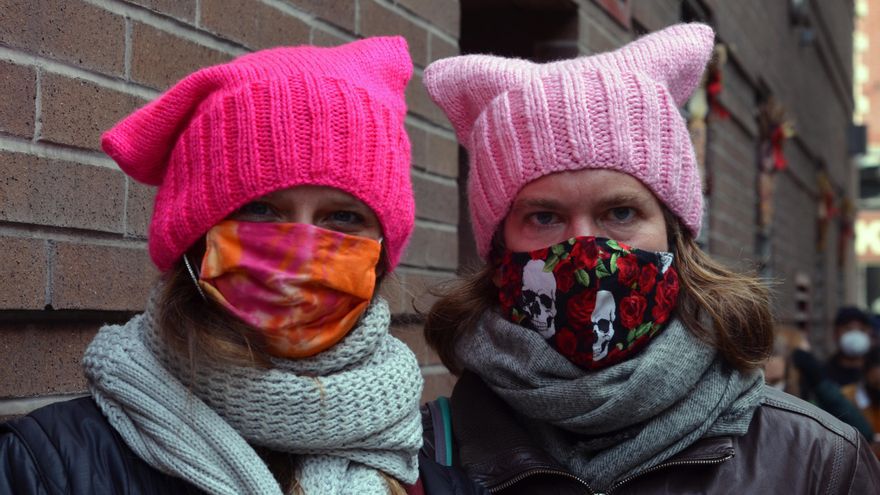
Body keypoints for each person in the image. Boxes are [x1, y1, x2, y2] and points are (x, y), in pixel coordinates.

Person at [418, 24, 880, 493]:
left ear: (674, 235)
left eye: (620, 212)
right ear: (499, 251)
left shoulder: (818, 462)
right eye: (543, 218)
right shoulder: (422, 462)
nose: (585, 251)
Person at [0, 37, 440, 495]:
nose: (302, 250)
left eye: (344, 217)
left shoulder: (427, 463)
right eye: (261, 210)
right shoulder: (48, 468)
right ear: (193, 240)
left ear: (383, 250)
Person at [826, 306, 875, 386]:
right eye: (848, 329)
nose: (855, 335)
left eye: (861, 329)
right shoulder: (823, 374)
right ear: (835, 334)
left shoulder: (875, 371)